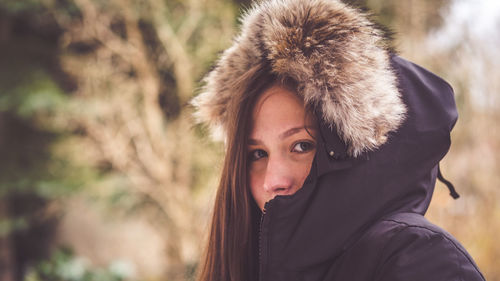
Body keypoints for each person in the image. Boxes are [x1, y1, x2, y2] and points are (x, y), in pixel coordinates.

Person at [191, 0, 486, 280]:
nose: (273, 180)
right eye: (257, 154)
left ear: (356, 152)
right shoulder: (251, 264)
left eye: (301, 146)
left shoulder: (417, 258)